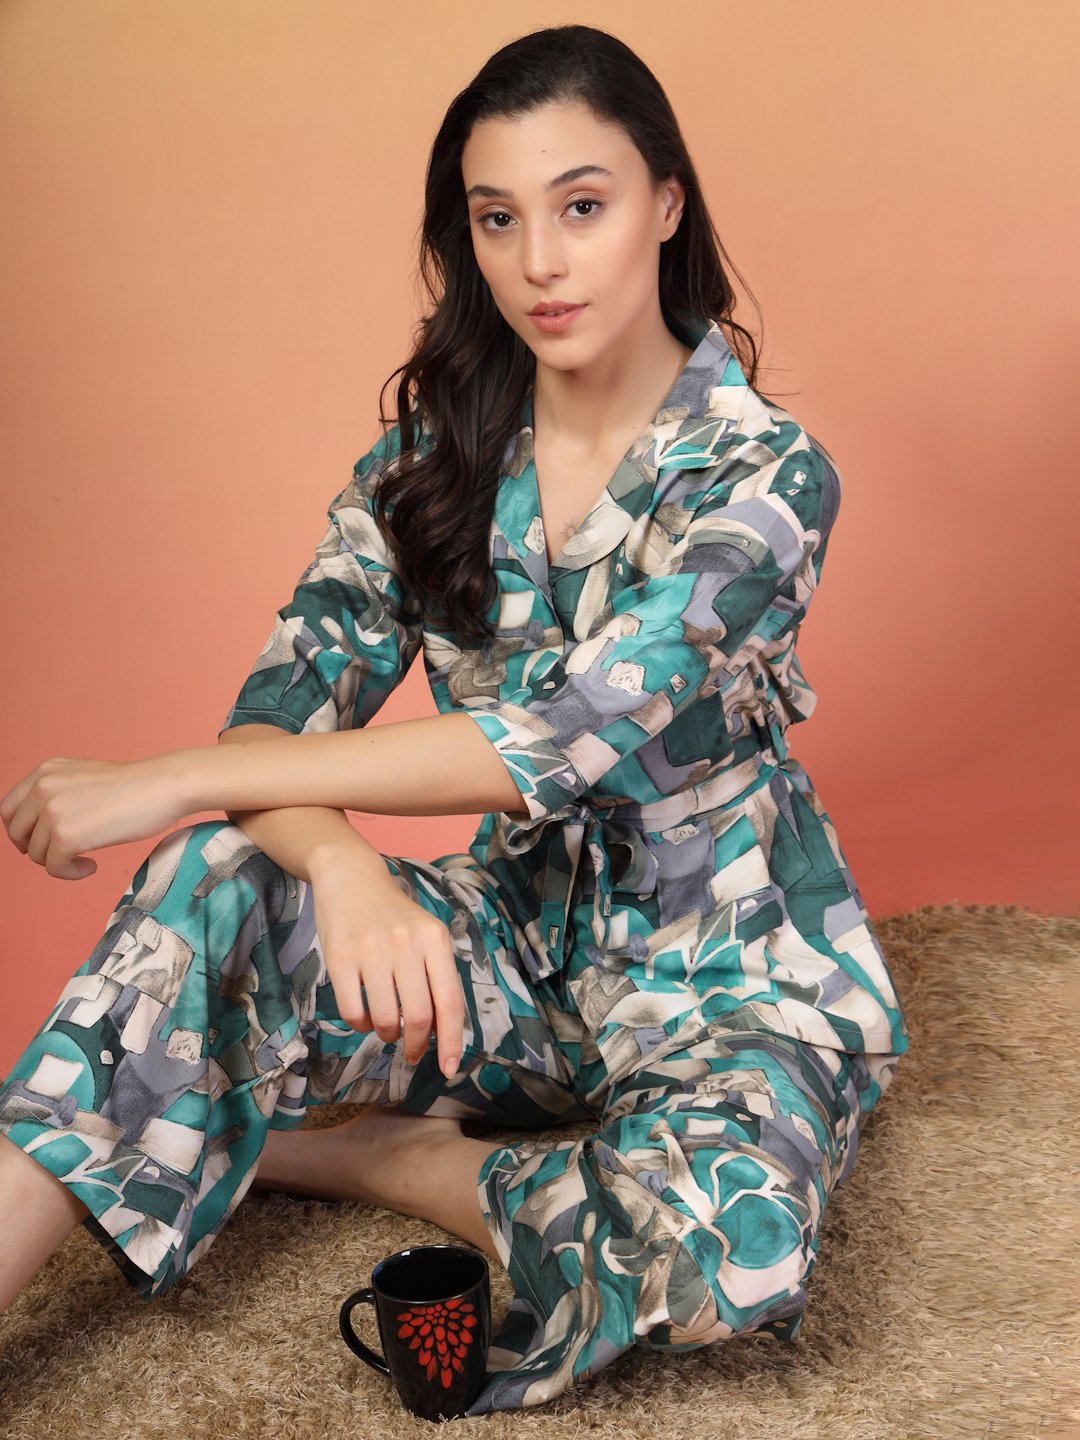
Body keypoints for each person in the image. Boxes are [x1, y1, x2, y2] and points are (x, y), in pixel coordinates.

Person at [0, 22, 910, 1415]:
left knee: (732, 1247)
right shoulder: (428, 466)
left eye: (582, 206)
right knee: (220, 871)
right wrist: (340, 863)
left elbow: (556, 734)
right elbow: (274, 728)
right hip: (504, 963)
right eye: (498, 219)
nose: (541, 261)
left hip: (727, 971)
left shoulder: (766, 478)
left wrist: (165, 776)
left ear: (667, 205)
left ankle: (385, 1158)